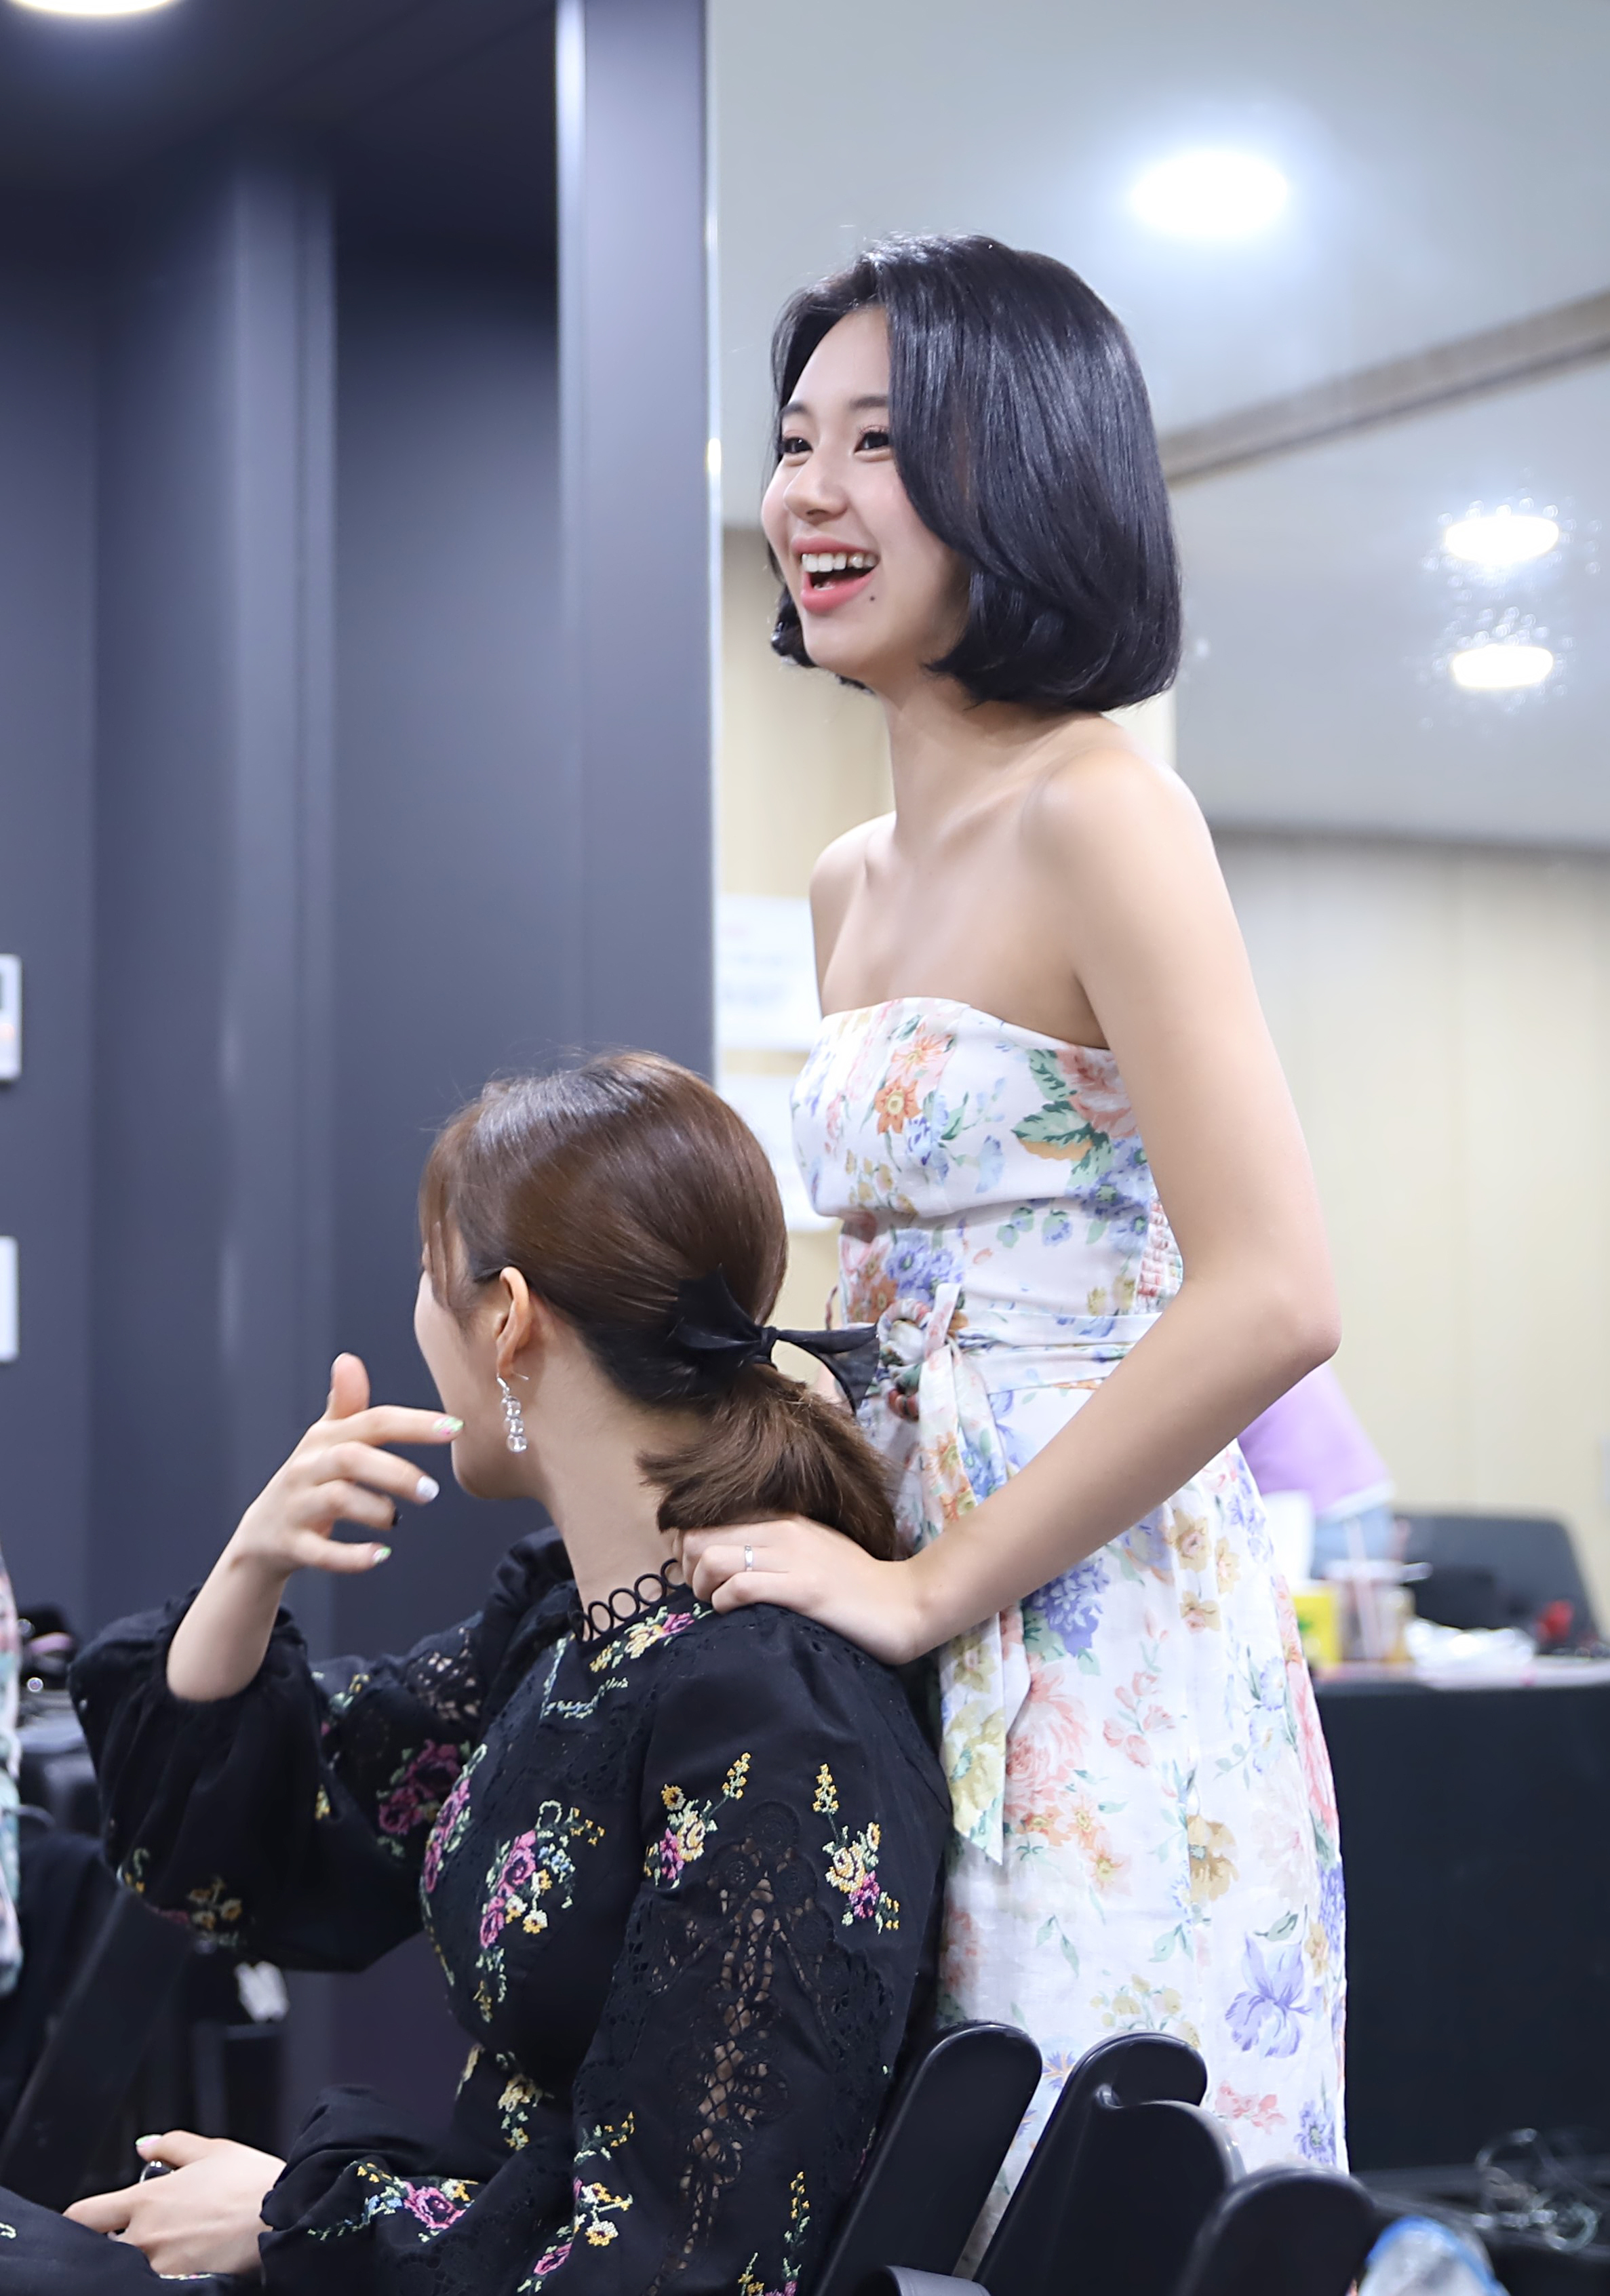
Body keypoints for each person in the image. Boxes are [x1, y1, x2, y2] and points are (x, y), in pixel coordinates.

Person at [681, 235, 1347, 2184]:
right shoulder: (847, 878)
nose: (810, 493)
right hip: (896, 1588)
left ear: (1024, 473)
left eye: (879, 444)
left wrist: (927, 1588)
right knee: (889, 2174)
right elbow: (881, 1297)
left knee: (1080, 2181)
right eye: (793, 442)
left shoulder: (1101, 810)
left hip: (1098, 1629)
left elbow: (1273, 1295)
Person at [0, 1055, 948, 2292]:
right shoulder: (567, 1631)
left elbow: (684, 2257)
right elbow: (264, 1843)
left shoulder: (769, 1708)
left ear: (507, 1317)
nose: (415, 1314)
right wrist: (251, 1567)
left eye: (425, 1272)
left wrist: (298, 2216)